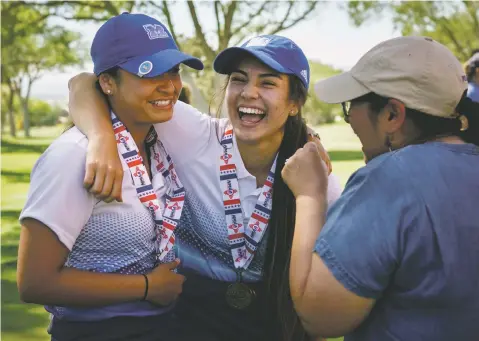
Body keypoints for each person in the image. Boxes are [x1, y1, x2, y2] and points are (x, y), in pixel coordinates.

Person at [68, 34, 342, 340]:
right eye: (239, 80)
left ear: (294, 103)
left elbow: (319, 296)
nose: (248, 92)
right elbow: (86, 83)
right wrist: (101, 137)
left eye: (267, 83)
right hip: (188, 326)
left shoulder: (316, 180)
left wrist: (307, 134)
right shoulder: (194, 134)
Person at [17, 13, 204, 341]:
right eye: (149, 72)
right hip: (97, 333)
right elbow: (35, 282)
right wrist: (147, 287)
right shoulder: (72, 156)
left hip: (167, 326)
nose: (169, 85)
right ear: (107, 82)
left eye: (173, 70)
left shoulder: (164, 137)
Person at [282, 36, 479, 341]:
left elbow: (320, 316)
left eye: (350, 106)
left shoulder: (388, 179)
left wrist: (310, 193)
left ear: (392, 114)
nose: (349, 120)